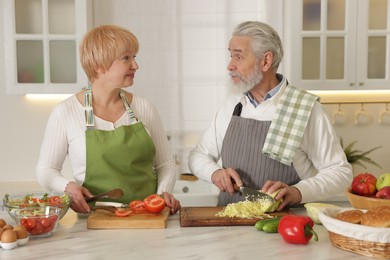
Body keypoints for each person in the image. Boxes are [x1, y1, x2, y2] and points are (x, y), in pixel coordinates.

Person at [188, 21, 352, 210]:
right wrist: (215, 172)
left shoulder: (305, 108)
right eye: (230, 56)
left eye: (238, 57)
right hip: (228, 224)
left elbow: (340, 172)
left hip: (283, 229)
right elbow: (198, 156)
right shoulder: (232, 106)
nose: (230, 65)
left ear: (265, 61)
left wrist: (297, 192)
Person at [36, 25, 181, 214]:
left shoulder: (144, 107)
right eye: (126, 58)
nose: (135, 65)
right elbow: (45, 170)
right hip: (94, 222)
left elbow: (165, 164)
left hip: (147, 218)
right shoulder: (66, 112)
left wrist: (161, 195)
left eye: (134, 57)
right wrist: (68, 187)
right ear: (99, 66)